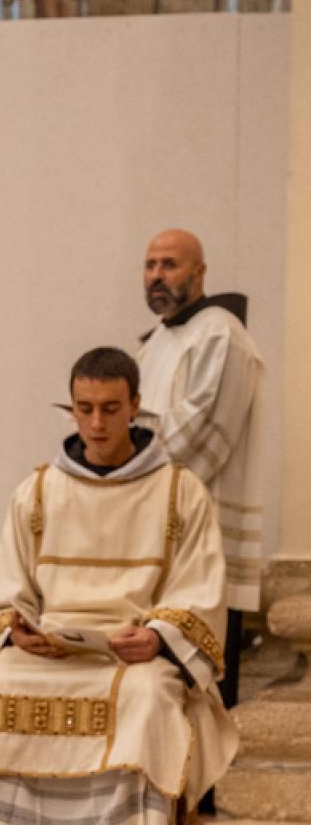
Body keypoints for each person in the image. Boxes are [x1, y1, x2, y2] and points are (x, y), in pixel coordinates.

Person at [0, 348, 236, 825]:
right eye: (85, 408)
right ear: (72, 408)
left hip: (133, 654)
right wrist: (15, 631)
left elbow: (198, 590)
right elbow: (7, 587)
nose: (96, 423)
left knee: (145, 699)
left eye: (111, 409)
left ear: (135, 405)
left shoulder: (179, 492)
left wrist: (158, 637)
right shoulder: (38, 491)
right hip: (52, 650)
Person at [136, 229, 265, 704]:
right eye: (150, 265)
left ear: (200, 271)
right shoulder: (154, 342)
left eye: (169, 264)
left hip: (198, 530)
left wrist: (123, 470)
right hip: (153, 524)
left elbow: (200, 436)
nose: (156, 275)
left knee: (203, 695)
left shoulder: (220, 333)